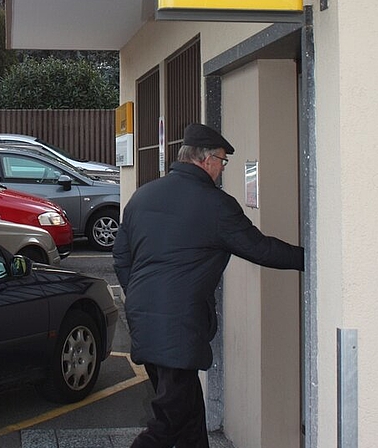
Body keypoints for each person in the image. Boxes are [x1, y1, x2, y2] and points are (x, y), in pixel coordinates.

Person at [112, 123, 304, 448]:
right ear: (206, 160)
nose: (222, 168)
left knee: (188, 414)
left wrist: (144, 301)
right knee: (167, 423)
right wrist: (312, 258)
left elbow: (121, 258)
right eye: (222, 161)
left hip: (145, 321)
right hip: (178, 328)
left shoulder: (143, 195)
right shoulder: (215, 205)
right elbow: (260, 248)